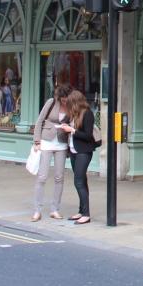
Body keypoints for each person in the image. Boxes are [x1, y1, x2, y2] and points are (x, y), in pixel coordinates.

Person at [31, 84, 71, 222]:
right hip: (46, 140)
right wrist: (37, 141)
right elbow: (40, 120)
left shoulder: (71, 105)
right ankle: (37, 210)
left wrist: (68, 127)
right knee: (42, 177)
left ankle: (55, 209)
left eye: (67, 98)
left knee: (59, 177)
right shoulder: (51, 102)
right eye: (63, 98)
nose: (65, 101)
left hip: (62, 143)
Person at [60, 88, 100, 225]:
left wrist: (72, 130)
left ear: (76, 102)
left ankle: (86, 214)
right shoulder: (72, 114)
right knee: (81, 181)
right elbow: (62, 122)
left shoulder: (87, 114)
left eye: (70, 103)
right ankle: (81, 211)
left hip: (84, 151)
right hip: (73, 151)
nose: (68, 106)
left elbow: (87, 135)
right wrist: (64, 126)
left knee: (78, 181)